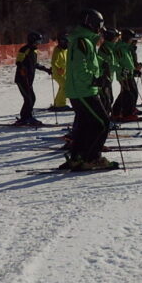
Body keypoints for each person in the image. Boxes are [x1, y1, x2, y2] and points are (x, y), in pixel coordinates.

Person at [61, 9, 117, 170]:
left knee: (86, 125)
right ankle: (92, 157)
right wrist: (96, 80)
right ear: (92, 24)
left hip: (83, 90)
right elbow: (80, 69)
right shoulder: (82, 41)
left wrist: (102, 62)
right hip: (83, 91)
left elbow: (88, 60)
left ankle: (77, 157)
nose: (100, 28)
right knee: (102, 123)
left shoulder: (85, 41)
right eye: (99, 25)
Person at [14, 31, 51, 125]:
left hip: (28, 79)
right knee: (29, 98)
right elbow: (18, 62)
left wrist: (46, 70)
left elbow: (34, 64)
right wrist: (22, 69)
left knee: (31, 98)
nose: (39, 43)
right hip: (22, 79)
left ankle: (25, 117)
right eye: (38, 41)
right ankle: (26, 118)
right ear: (32, 40)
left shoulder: (34, 51)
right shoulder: (24, 49)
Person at [47, 35, 70, 111]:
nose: (67, 44)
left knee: (62, 87)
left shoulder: (65, 50)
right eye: (66, 43)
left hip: (64, 73)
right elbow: (54, 62)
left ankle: (57, 103)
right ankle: (60, 104)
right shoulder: (57, 50)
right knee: (66, 86)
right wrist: (58, 68)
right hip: (57, 73)